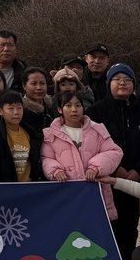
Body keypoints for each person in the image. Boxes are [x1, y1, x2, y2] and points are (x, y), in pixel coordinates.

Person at [88, 63, 140, 260]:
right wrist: (114, 169)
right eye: (117, 79)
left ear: (134, 84)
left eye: (127, 80)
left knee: (129, 229)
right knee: (106, 228)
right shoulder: (95, 112)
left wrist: (138, 169)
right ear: (109, 83)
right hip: (105, 181)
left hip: (134, 181)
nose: (122, 83)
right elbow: (91, 146)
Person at [41, 86, 123, 219]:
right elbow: (46, 158)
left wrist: (95, 167)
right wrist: (55, 171)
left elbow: (114, 151)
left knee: (96, 228)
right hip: (66, 192)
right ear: (60, 109)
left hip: (95, 191)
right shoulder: (50, 134)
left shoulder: (96, 129)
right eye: (68, 105)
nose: (74, 109)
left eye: (78, 105)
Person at [0, 91, 45, 183]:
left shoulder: (32, 134)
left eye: (19, 108)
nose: (16, 112)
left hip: (30, 186)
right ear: (0, 111)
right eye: (11, 108)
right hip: (7, 187)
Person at [18, 67, 56, 133]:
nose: (39, 87)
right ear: (24, 86)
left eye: (42, 83)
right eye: (34, 83)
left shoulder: (52, 106)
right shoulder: (20, 110)